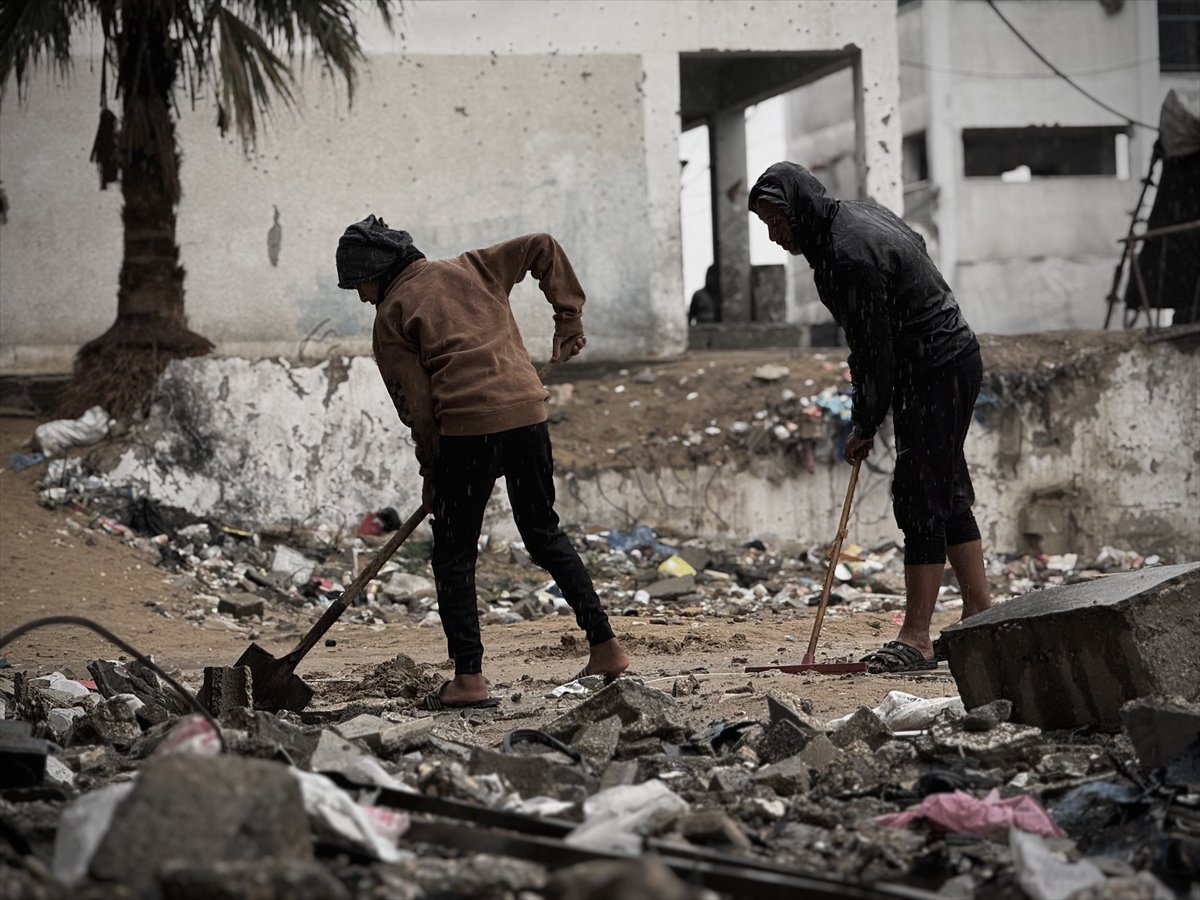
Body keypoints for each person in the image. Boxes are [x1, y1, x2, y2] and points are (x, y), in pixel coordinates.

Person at [335, 216, 629, 708]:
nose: (364, 297)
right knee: (543, 533)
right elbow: (542, 245)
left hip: (467, 432)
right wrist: (568, 317)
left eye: (361, 285)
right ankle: (606, 646)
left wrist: (433, 471)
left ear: (379, 272)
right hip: (527, 418)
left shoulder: (391, 315)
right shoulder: (476, 267)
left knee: (454, 554)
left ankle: (469, 680)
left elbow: (420, 410)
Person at [748, 162, 991, 672]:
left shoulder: (844, 255)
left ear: (800, 208)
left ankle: (917, 638)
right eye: (767, 224)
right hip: (949, 358)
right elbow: (916, 246)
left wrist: (864, 423)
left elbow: (873, 348)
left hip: (932, 366)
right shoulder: (859, 215)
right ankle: (978, 617)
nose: (774, 236)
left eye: (777, 221)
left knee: (920, 496)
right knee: (944, 489)